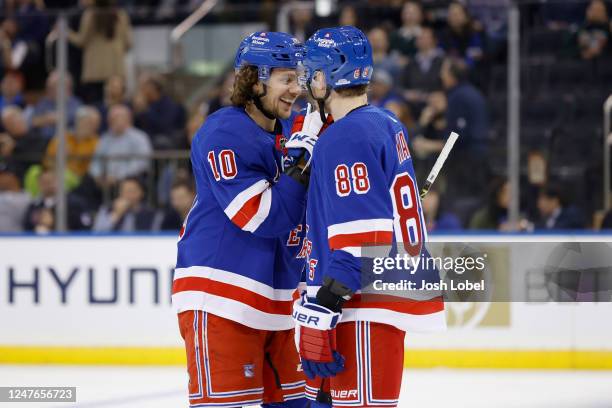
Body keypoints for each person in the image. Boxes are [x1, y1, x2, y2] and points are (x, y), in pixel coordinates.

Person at [293, 26, 445, 408]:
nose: (309, 82)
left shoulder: (345, 136)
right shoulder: (384, 122)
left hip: (359, 308)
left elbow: (365, 242)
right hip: (372, 304)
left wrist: (324, 305)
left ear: (325, 77)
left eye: (312, 73)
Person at [172, 32, 312, 408]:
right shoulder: (224, 132)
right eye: (286, 78)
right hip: (222, 297)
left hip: (276, 304)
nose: (295, 88)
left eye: (298, 78)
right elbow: (261, 217)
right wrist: (301, 168)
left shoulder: (290, 132)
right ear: (255, 79)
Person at [67, 0, 132, 103]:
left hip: (95, 70)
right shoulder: (121, 15)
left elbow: (82, 40)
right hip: (115, 68)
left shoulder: (90, 14)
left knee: (95, 105)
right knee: (116, 104)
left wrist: (66, 32)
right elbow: (129, 43)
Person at [88, 104, 152, 189]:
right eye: (110, 119)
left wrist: (117, 176)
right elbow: (96, 160)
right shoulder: (105, 138)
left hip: (129, 178)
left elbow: (142, 162)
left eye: (116, 118)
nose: (111, 122)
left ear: (128, 119)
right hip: (104, 180)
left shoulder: (139, 137)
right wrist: (97, 175)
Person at [92, 176, 158, 232]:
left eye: (132, 191)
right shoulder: (107, 209)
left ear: (142, 193)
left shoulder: (150, 213)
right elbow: (97, 232)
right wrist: (116, 214)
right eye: (124, 191)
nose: (128, 195)